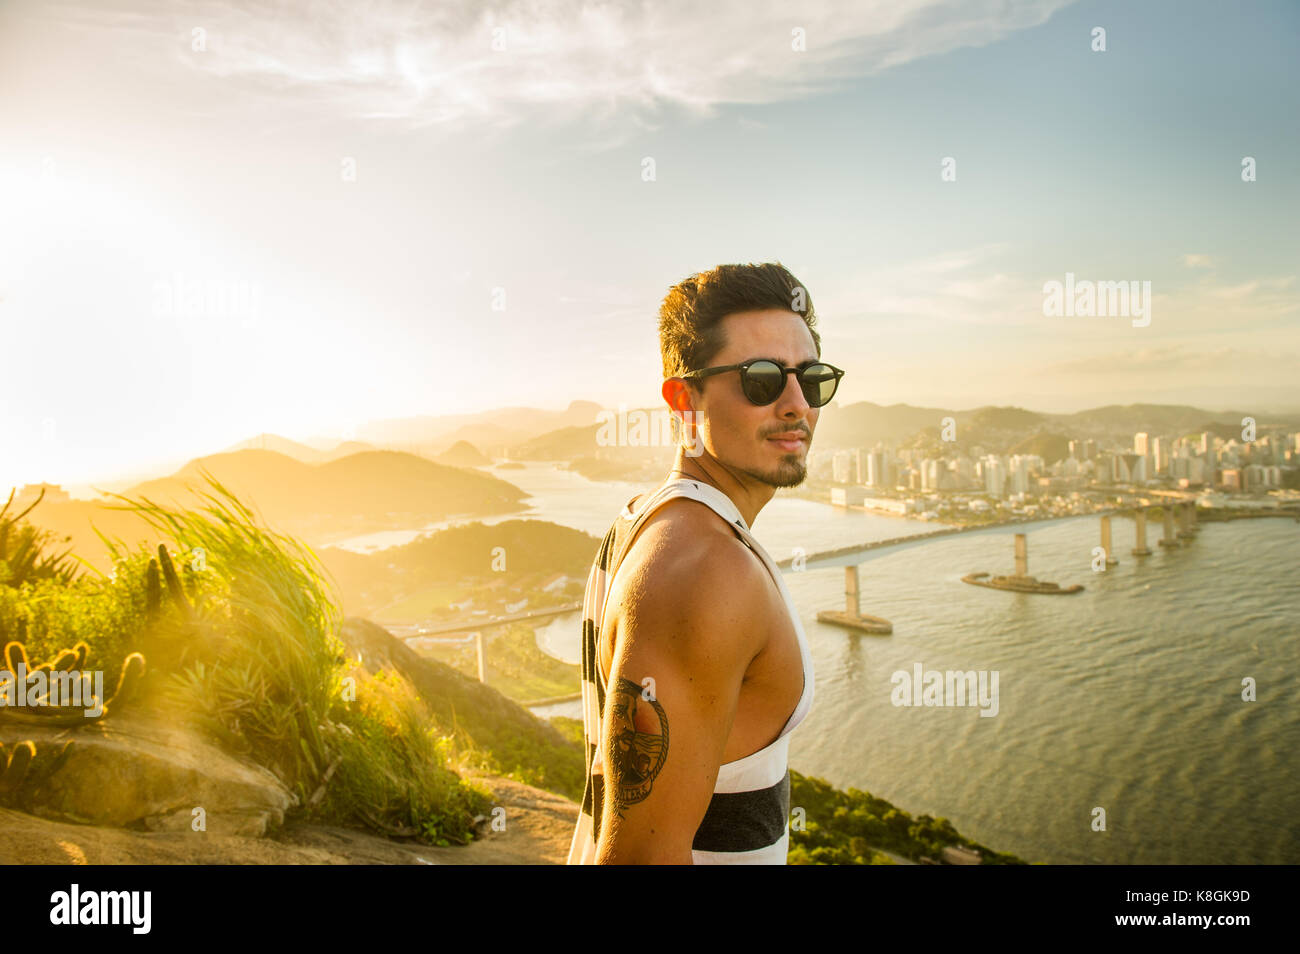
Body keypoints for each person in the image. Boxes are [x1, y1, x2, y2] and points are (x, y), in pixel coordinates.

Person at [565, 262, 844, 864]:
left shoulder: (650, 523)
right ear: (683, 398)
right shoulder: (703, 569)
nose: (797, 405)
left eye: (812, 379)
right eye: (762, 379)